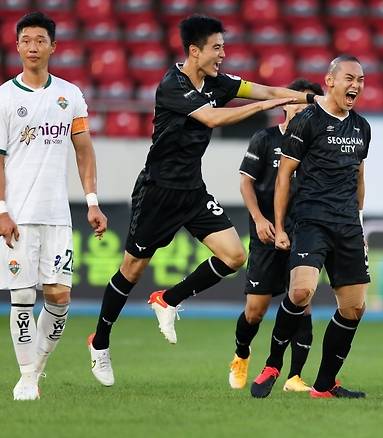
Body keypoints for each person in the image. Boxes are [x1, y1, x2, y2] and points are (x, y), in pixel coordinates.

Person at [87, 15, 318, 387]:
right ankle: (99, 343)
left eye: (223, 47)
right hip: (158, 191)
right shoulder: (172, 85)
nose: (223, 54)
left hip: (192, 191)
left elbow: (262, 89)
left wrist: (310, 98)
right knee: (132, 270)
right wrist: (265, 107)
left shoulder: (218, 81)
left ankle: (169, 300)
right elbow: (211, 118)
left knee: (233, 255)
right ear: (194, 51)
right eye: (217, 47)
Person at [0, 11, 107, 400]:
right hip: (18, 216)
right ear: (17, 46)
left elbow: (84, 150)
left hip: (58, 216)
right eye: (26, 39)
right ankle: (27, 376)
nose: (33, 46)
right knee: (23, 297)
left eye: (40, 40)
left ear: (53, 46)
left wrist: (92, 202)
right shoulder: (5, 97)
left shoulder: (69, 95)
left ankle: (35, 369)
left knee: (59, 298)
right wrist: (1, 209)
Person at [249, 55, 370, 399]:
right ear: (330, 81)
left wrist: (359, 226)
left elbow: (359, 178)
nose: (356, 85)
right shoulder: (308, 121)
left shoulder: (362, 127)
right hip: (311, 219)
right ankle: (273, 363)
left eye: (360, 79)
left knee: (354, 308)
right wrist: (280, 226)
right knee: (301, 292)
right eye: (349, 78)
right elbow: (284, 175)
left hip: (347, 225)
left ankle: (325, 384)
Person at [229, 78, 324, 392]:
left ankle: (294, 376)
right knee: (255, 310)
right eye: (295, 101)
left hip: (303, 231)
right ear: (284, 104)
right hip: (267, 231)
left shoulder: (316, 144)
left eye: (307, 104)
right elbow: (246, 182)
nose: (300, 107)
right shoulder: (265, 138)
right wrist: (258, 220)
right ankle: (242, 353)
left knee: (302, 300)